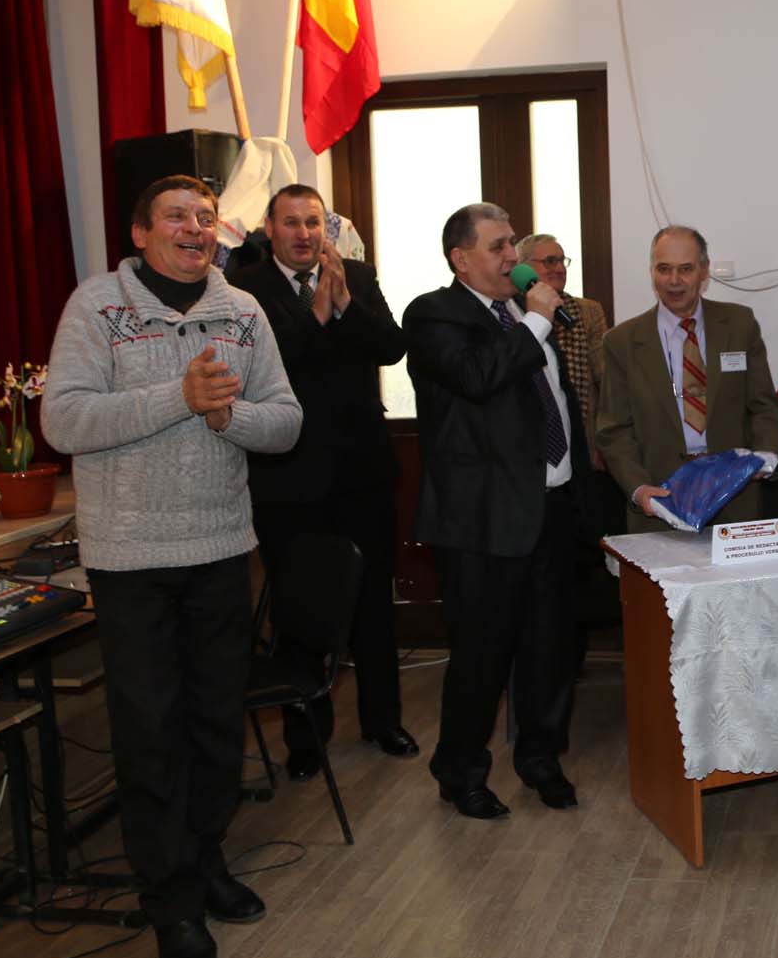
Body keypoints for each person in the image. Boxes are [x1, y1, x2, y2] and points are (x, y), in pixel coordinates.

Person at [42, 175, 302, 958]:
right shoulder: (97, 307)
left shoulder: (243, 310)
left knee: (217, 725)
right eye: (176, 217)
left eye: (205, 217)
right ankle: (171, 902)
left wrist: (231, 417)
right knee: (151, 735)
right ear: (140, 232)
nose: (195, 228)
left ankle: (206, 858)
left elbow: (286, 421)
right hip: (131, 559)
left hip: (221, 548)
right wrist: (179, 398)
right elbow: (64, 420)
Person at [404, 202, 586, 819]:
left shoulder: (523, 315)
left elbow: (559, 401)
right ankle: (460, 771)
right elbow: (479, 376)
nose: (514, 256)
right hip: (482, 521)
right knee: (482, 656)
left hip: (552, 507)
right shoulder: (434, 313)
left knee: (550, 648)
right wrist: (535, 322)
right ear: (461, 259)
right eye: (499, 246)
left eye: (513, 243)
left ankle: (540, 758)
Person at [228, 184, 416, 778]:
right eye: (291, 223)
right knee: (298, 609)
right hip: (289, 479)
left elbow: (391, 347)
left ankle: (383, 721)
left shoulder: (355, 275)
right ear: (269, 229)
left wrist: (346, 306)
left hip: (363, 472)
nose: (304, 234)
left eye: (313, 222)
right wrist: (316, 313)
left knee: (372, 605)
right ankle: (307, 739)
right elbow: (269, 364)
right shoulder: (244, 287)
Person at [595, 226, 778, 531]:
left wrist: (766, 454)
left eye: (685, 269)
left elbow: (764, 406)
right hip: (661, 502)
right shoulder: (622, 341)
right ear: (652, 271)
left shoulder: (739, 325)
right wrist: (639, 488)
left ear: (704, 271)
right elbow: (613, 431)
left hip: (735, 497)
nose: (674, 280)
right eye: (664, 269)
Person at [516, 233, 609, 466]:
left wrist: (606, 442)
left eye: (562, 261)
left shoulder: (588, 311)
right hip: (527, 443)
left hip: (583, 441)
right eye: (549, 261)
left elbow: (606, 379)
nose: (559, 268)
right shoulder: (513, 311)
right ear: (523, 268)